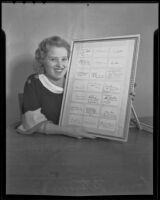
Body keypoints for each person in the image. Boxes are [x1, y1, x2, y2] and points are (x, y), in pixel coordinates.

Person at [16, 36, 96, 139]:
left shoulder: (77, 82)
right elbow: (32, 123)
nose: (60, 65)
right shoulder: (33, 82)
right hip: (44, 143)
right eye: (53, 59)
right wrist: (67, 131)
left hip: (79, 138)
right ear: (42, 60)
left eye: (64, 59)